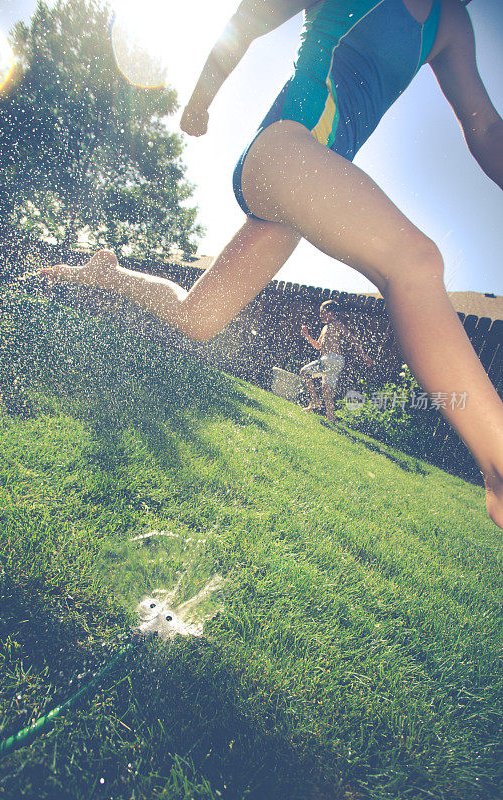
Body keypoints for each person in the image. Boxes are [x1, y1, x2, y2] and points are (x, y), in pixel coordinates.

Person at [39, 0, 503, 530]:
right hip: (283, 149)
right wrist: (200, 101)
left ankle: (107, 274)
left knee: (200, 318)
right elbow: (250, 18)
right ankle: (497, 466)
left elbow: (486, 128)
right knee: (416, 261)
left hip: (311, 185)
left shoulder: (450, 22)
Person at [300, 300, 373, 418]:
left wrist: (364, 355)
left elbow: (352, 339)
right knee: (326, 389)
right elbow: (318, 346)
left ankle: (314, 401)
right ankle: (331, 417)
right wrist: (307, 336)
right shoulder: (325, 328)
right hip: (335, 362)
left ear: (332, 313)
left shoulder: (337, 324)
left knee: (304, 372)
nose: (320, 315)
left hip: (331, 359)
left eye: (323, 312)